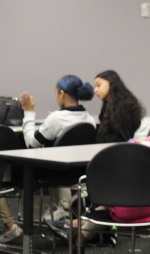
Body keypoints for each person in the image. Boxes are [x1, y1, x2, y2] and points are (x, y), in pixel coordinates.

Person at [21, 75, 96, 221]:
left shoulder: (57, 119)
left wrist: (28, 113)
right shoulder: (90, 120)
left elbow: (31, 143)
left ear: (62, 94)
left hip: (55, 173)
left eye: (56, 94)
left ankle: (59, 210)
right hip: (80, 174)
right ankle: (61, 209)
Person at [93, 70, 144, 143]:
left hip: (115, 151)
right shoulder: (109, 104)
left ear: (111, 83)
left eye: (98, 85)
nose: (95, 90)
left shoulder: (121, 106)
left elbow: (125, 138)